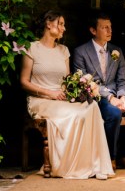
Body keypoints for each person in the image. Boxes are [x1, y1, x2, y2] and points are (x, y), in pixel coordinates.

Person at [20, 10, 114, 179]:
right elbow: (24, 82)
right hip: (40, 100)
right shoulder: (31, 48)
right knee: (73, 114)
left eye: (64, 24)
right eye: (61, 24)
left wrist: (78, 90)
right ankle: (66, 165)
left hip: (62, 98)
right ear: (49, 23)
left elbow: (67, 79)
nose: (64, 28)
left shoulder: (64, 50)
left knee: (91, 108)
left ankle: (94, 164)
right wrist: (50, 93)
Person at [73, 12, 125, 170]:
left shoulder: (117, 51)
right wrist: (110, 97)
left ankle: (124, 154)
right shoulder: (80, 52)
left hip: (119, 95)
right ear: (93, 30)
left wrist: (122, 96)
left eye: (110, 27)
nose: (110, 31)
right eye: (104, 27)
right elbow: (85, 82)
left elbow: (122, 79)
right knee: (114, 113)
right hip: (96, 97)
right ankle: (110, 158)